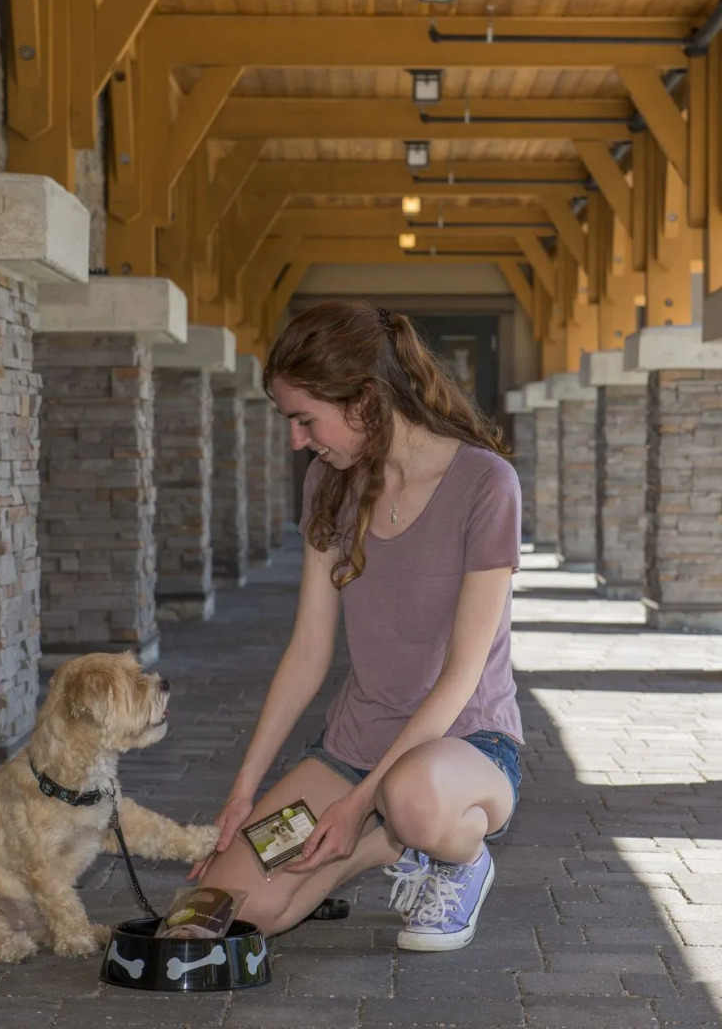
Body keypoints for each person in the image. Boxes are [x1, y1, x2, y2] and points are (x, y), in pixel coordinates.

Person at [190, 299, 524, 952]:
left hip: (465, 749)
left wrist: (361, 799)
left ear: (365, 401)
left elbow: (460, 676)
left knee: (413, 796)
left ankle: (453, 857)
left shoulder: (486, 485)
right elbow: (308, 652)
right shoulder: (328, 483)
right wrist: (241, 793)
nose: (297, 439)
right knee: (232, 910)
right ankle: (382, 842)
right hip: (352, 748)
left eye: (304, 419)